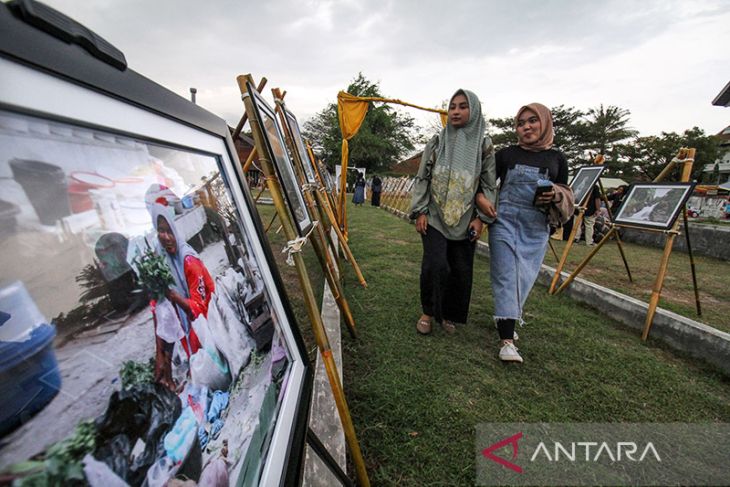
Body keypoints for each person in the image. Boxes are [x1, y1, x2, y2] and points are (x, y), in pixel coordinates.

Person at [477, 103, 569, 363]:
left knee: (524, 278)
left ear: (545, 123)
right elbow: (484, 182)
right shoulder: (506, 154)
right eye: (521, 123)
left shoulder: (558, 158)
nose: (526, 127)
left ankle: (506, 319)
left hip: (536, 227)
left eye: (532, 121)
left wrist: (555, 194)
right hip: (504, 221)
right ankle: (506, 341)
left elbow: (565, 190)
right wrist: (482, 200)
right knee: (506, 275)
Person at [410, 89, 497, 336]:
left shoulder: (484, 145)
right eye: (452, 107)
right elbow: (422, 177)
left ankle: (448, 314)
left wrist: (482, 220)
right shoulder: (438, 142)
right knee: (435, 265)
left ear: (475, 110)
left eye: (463, 106)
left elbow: (490, 184)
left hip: (466, 218)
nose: (456, 111)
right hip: (435, 215)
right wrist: (420, 211)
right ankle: (428, 312)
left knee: (460, 269)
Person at [150, 200, 215, 390]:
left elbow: (200, 308)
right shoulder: (162, 260)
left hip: (209, 320)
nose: (167, 237)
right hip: (190, 324)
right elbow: (159, 311)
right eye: (161, 231)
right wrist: (161, 355)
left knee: (207, 365)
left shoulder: (188, 261)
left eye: (169, 230)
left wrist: (171, 295)